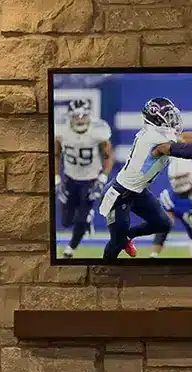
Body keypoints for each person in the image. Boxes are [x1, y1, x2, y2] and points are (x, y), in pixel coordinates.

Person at [98, 97, 192, 261]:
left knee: (163, 223)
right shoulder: (153, 138)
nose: (172, 119)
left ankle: (128, 236)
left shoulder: (159, 132)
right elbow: (183, 151)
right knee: (115, 243)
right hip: (120, 194)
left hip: (138, 192)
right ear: (155, 119)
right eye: (167, 116)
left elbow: (184, 138)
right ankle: (105, 271)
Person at [55, 99, 114, 258]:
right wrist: (57, 179)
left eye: (83, 115)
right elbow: (56, 155)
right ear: (70, 116)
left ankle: (70, 249)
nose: (80, 118)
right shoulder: (61, 130)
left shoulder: (98, 130)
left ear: (89, 115)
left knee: (81, 217)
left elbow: (108, 156)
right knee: (66, 221)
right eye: (76, 115)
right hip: (70, 178)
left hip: (90, 179)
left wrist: (102, 178)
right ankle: (86, 220)